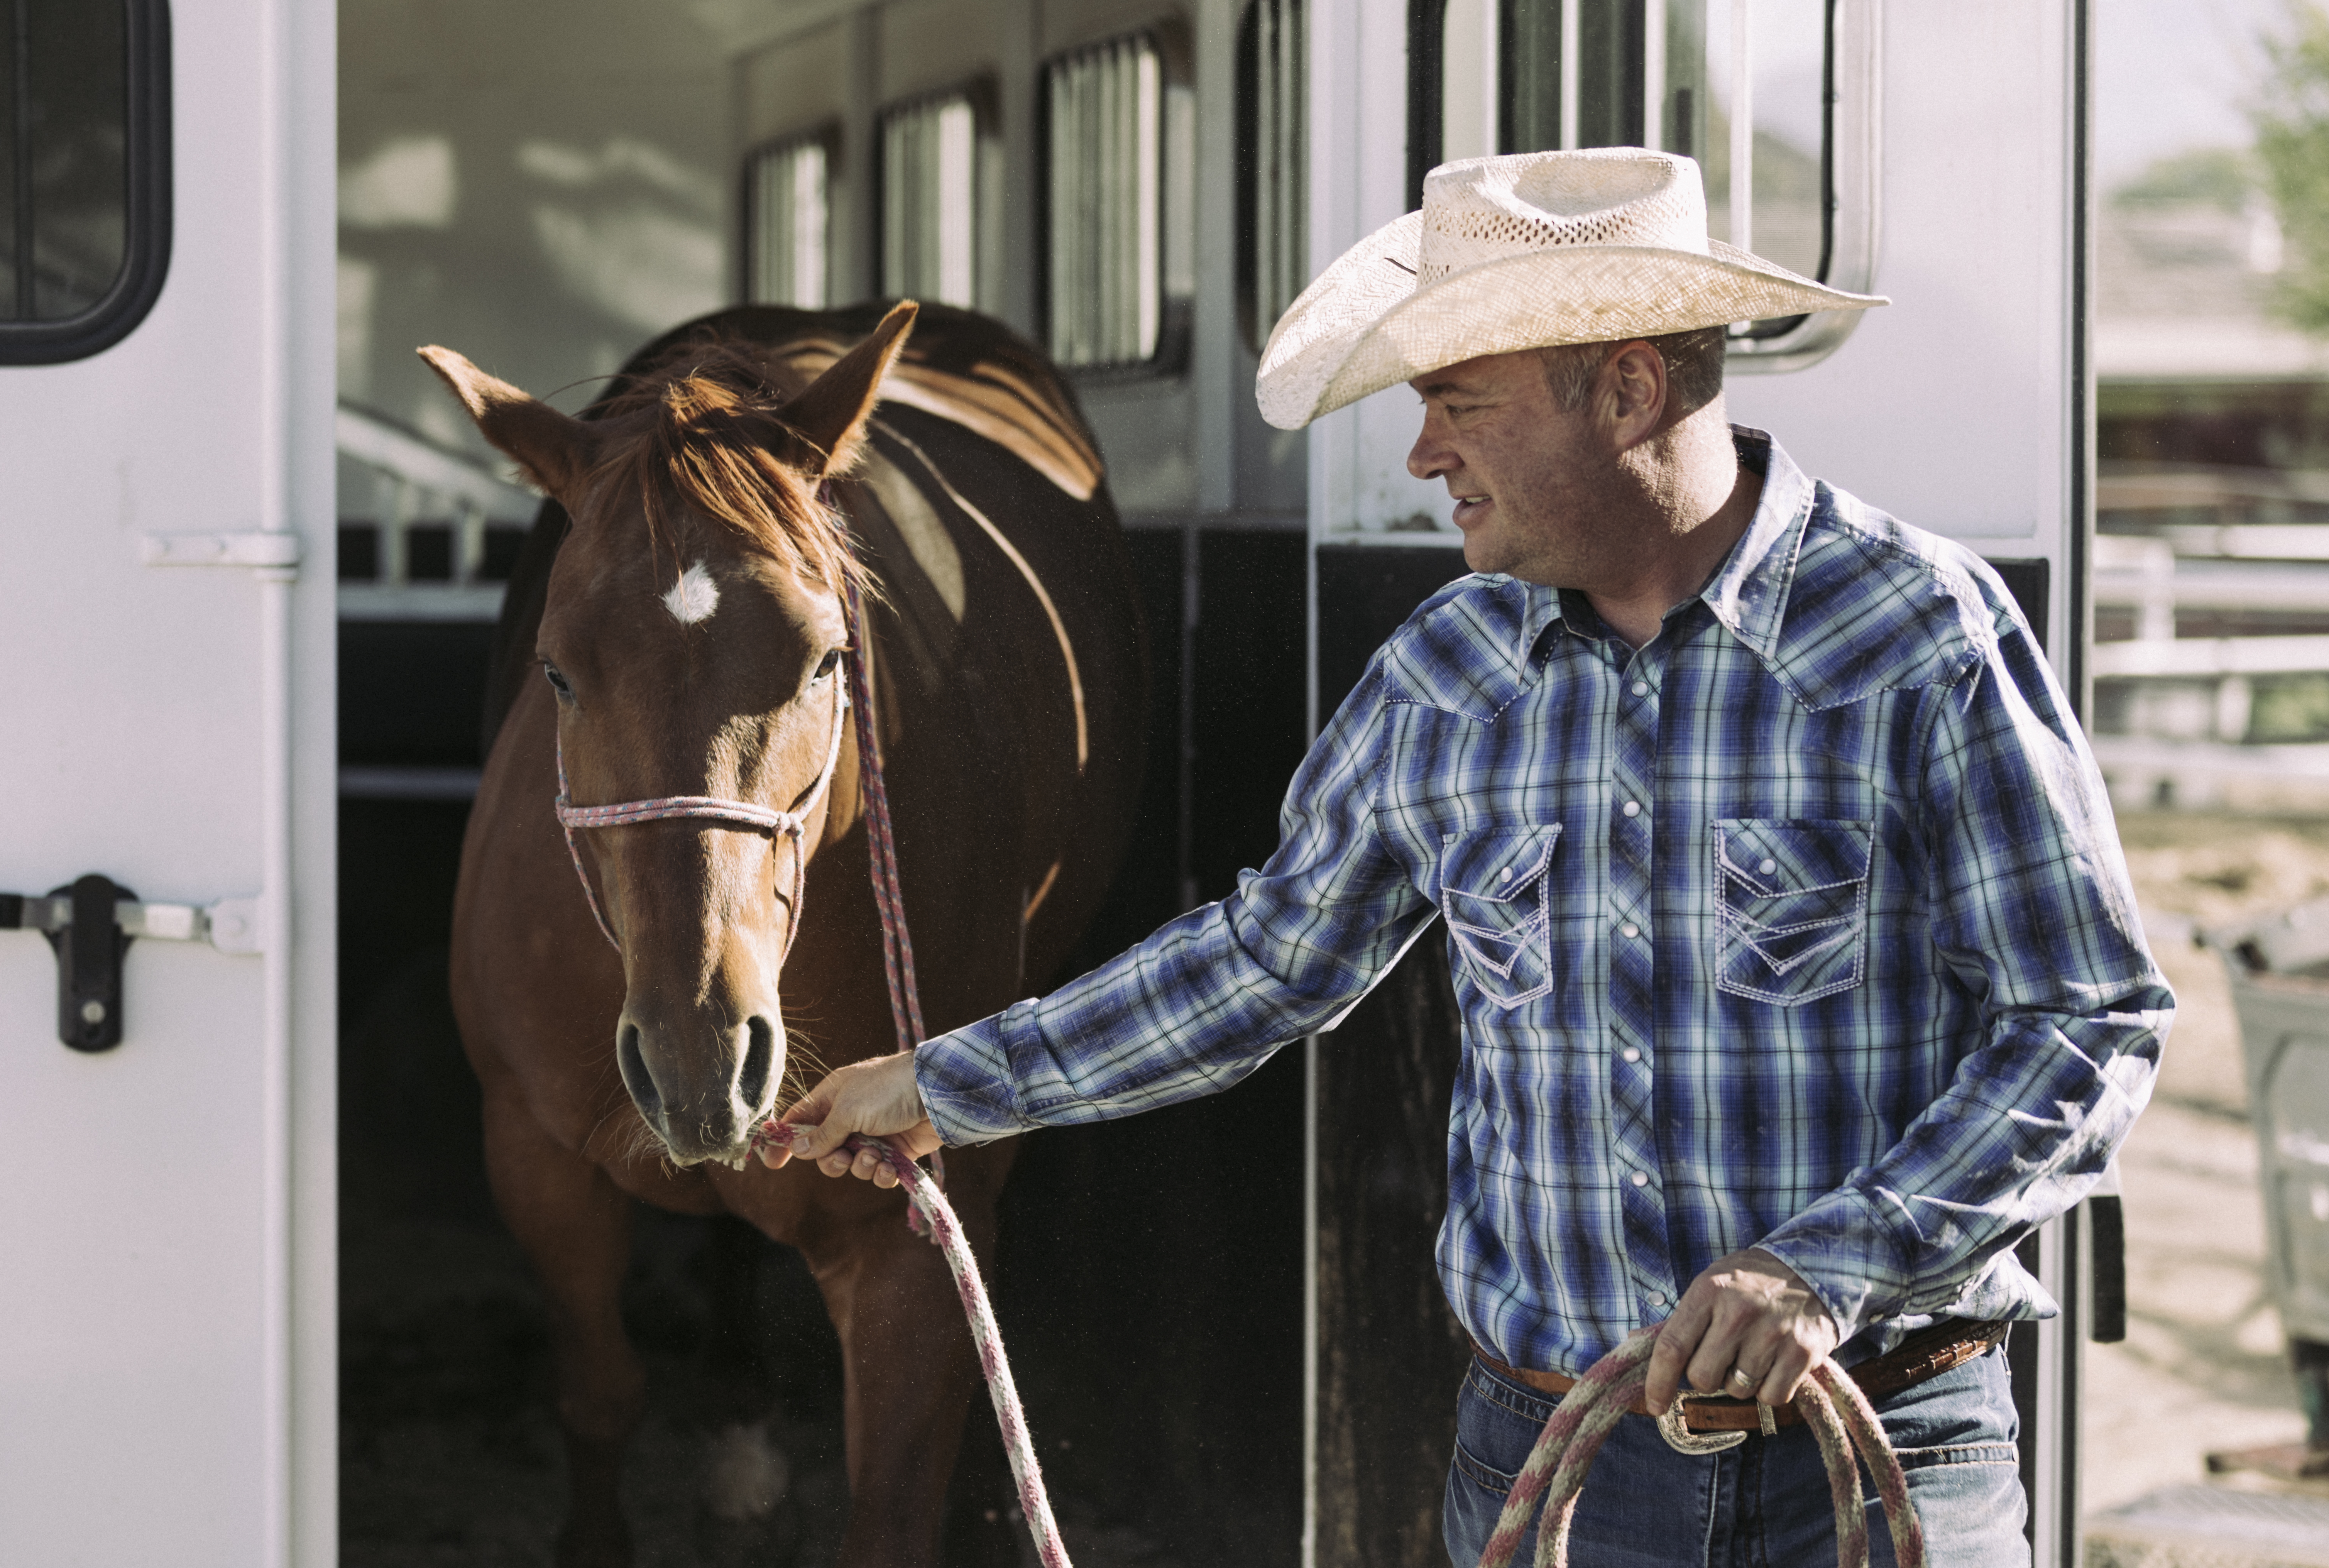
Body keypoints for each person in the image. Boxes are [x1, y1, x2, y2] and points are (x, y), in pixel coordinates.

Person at [765, 148, 2169, 1565]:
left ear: (1630, 390)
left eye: (1457, 402)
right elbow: (1266, 960)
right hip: (1556, 1463)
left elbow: (2090, 1022)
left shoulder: (1918, 632)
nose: (1425, 452)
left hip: (1882, 1450)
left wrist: (1832, 1262)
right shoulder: (1443, 674)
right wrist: (945, 1084)